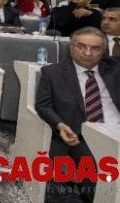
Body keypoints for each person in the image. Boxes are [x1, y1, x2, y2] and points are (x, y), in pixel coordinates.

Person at [35, 27, 120, 202]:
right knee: (101, 171)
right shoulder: (53, 73)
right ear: (71, 47)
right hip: (81, 135)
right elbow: (43, 106)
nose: (87, 53)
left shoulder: (115, 68)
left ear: (103, 51)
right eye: (81, 46)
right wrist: (59, 125)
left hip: (116, 127)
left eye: (95, 48)